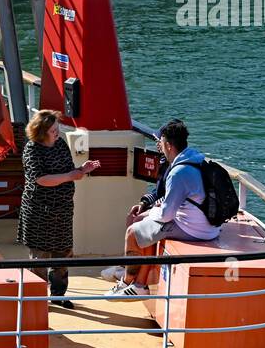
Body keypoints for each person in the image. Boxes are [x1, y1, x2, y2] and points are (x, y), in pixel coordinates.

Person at [106, 118, 220, 297]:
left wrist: (153, 210)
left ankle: (126, 282)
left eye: (160, 142)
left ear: (167, 145)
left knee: (132, 232)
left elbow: (167, 215)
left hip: (194, 229)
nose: (159, 145)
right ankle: (140, 284)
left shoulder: (178, 172)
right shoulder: (195, 159)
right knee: (147, 226)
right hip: (209, 226)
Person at [17, 109, 100, 309]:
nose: (57, 132)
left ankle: (58, 295)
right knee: (40, 257)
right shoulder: (32, 149)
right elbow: (41, 180)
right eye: (54, 130)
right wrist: (71, 176)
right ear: (41, 131)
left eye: (57, 128)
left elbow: (68, 171)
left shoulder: (61, 144)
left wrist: (81, 170)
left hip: (62, 210)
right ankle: (37, 298)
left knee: (63, 254)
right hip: (39, 211)